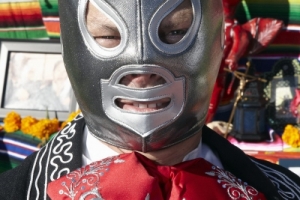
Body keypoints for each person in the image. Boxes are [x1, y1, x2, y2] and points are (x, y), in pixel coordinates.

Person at [0, 0, 300, 199]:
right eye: (109, 36)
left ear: (219, 41)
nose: (143, 69)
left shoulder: (287, 192)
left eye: (176, 32)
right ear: (69, 45)